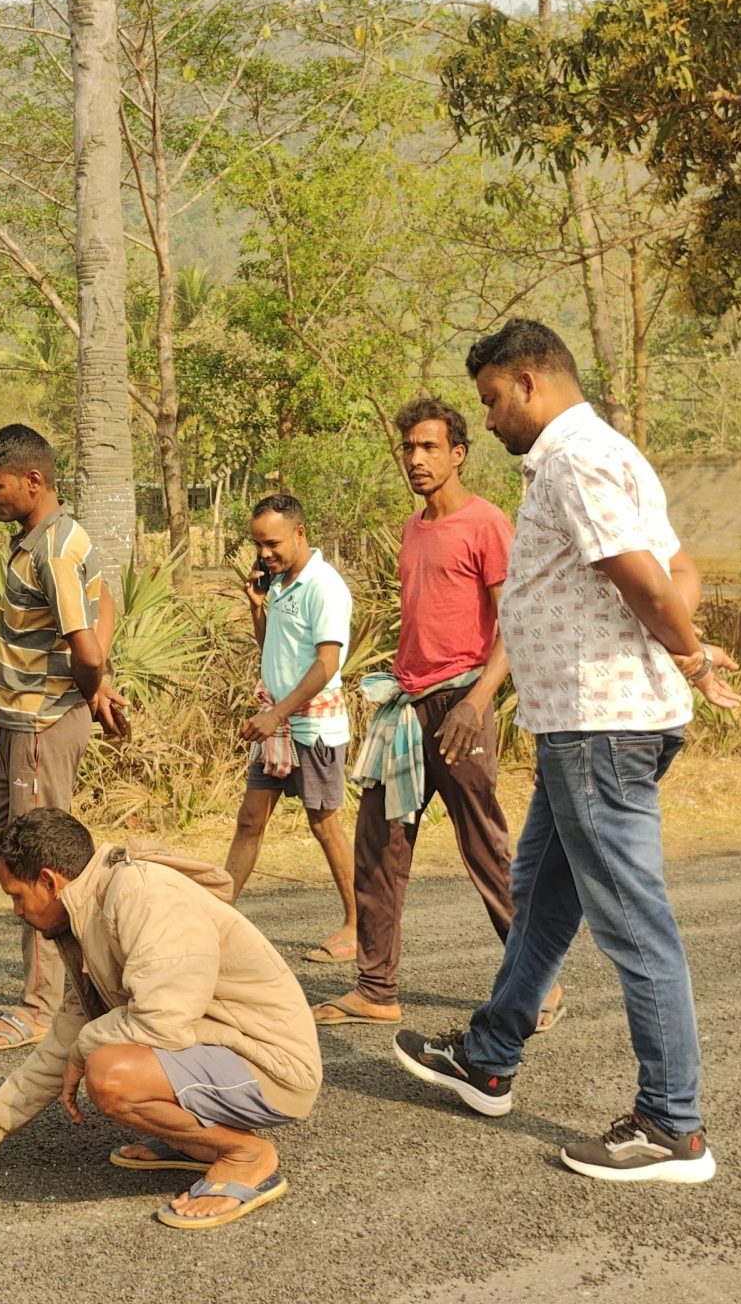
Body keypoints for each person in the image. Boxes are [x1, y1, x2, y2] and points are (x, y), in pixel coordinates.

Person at [390, 318, 741, 1185]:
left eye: (491, 401)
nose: (489, 420)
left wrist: (691, 656)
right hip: (582, 725)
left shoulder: (575, 459)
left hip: (600, 727)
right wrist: (680, 641)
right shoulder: (611, 453)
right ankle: (488, 1056)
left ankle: (672, 1126)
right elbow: (682, 571)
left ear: (531, 382)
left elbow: (650, 581)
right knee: (543, 899)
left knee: (633, 920)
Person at [0, 808, 322, 1231]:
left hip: (274, 1071)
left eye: (17, 895)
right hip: (226, 1057)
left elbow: (162, 1023)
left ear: (49, 881)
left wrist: (84, 1049)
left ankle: (245, 1156)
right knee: (101, 1056)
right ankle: (193, 1142)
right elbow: (60, 1044)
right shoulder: (89, 912)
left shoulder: (142, 896)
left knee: (111, 1074)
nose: (16, 911)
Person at [314, 397, 562, 1032]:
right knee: (379, 846)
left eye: (429, 447)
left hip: (462, 707)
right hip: (406, 710)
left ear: (458, 454)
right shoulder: (412, 527)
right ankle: (376, 989)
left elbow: (515, 623)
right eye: (409, 447)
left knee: (484, 848)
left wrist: (477, 703)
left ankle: (541, 985)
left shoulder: (487, 524)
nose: (416, 459)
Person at [0, 423, 128, 1055]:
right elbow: (106, 602)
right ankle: (89, 970)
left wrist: (90, 686)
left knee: (34, 870)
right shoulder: (53, 537)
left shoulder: (54, 548)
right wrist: (96, 687)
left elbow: (88, 644)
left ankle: (42, 1007)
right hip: (21, 722)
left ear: (33, 480)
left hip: (41, 725)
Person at [225, 494, 360, 962]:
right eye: (258, 545)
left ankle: (357, 927)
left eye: (273, 543)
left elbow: (327, 664)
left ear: (300, 533)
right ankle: (216, 919)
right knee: (250, 820)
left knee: (324, 825)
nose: (264, 553)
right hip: (277, 726)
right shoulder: (280, 584)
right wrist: (257, 608)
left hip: (311, 728)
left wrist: (275, 714)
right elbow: (272, 648)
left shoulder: (324, 586)